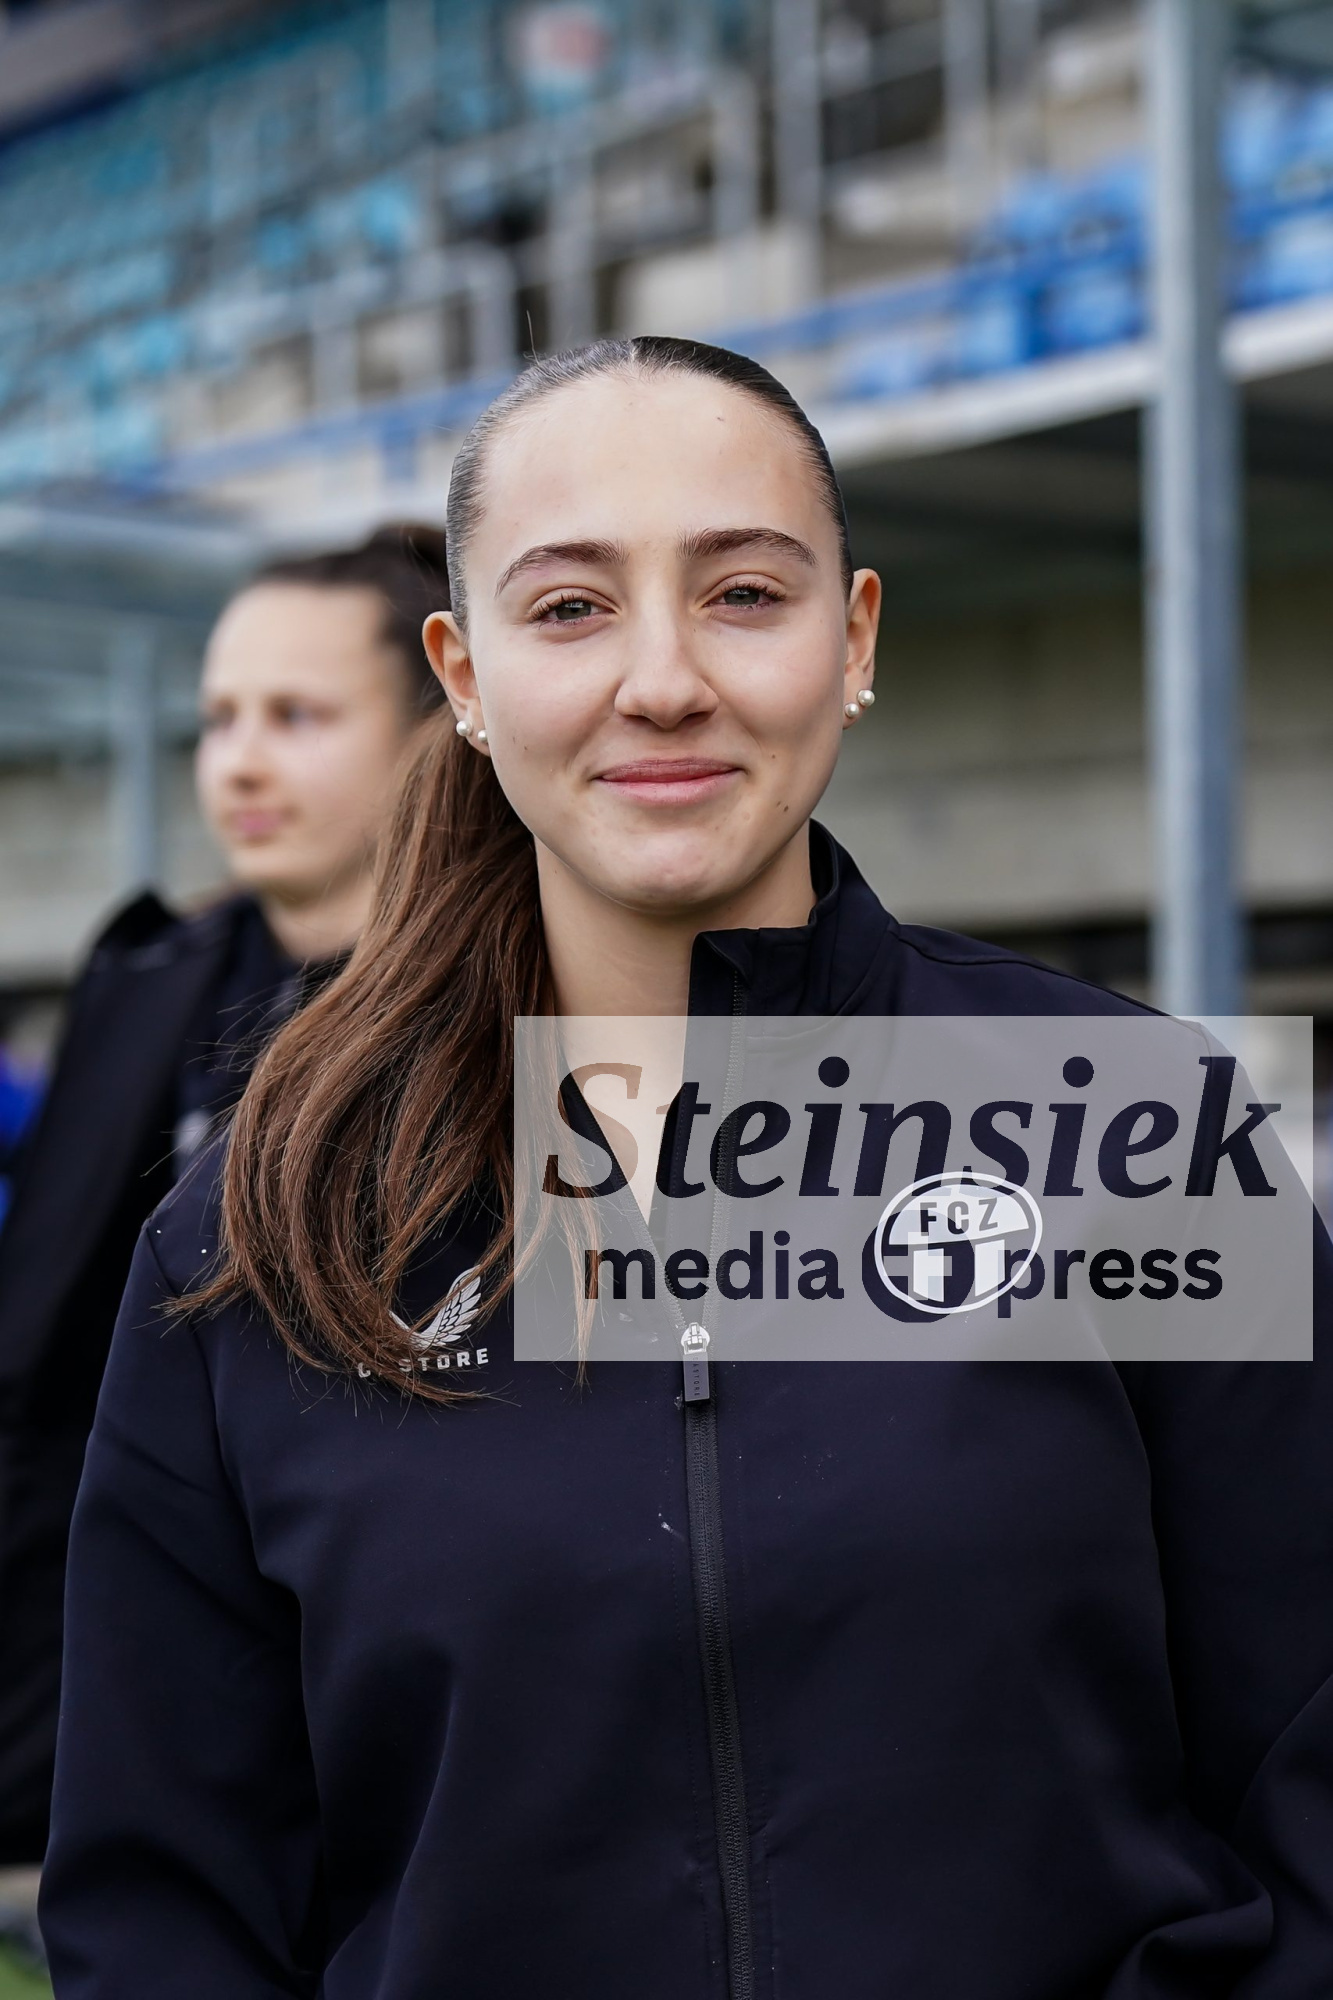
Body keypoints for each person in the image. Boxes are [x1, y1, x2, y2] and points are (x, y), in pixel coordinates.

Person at [40, 340, 1333, 1998]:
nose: (661, 679)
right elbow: (166, 1914)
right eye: (570, 608)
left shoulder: (1139, 1129)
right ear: (463, 674)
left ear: (851, 639)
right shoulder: (263, 1230)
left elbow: (1307, 1785)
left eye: (742, 595)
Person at [0, 522, 448, 1874]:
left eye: (297, 717)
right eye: (219, 719)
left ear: (440, 731)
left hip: (373, 1677)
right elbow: (50, 1367)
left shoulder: (514, 1012)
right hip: (119, 1652)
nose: (239, 763)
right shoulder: (146, 980)